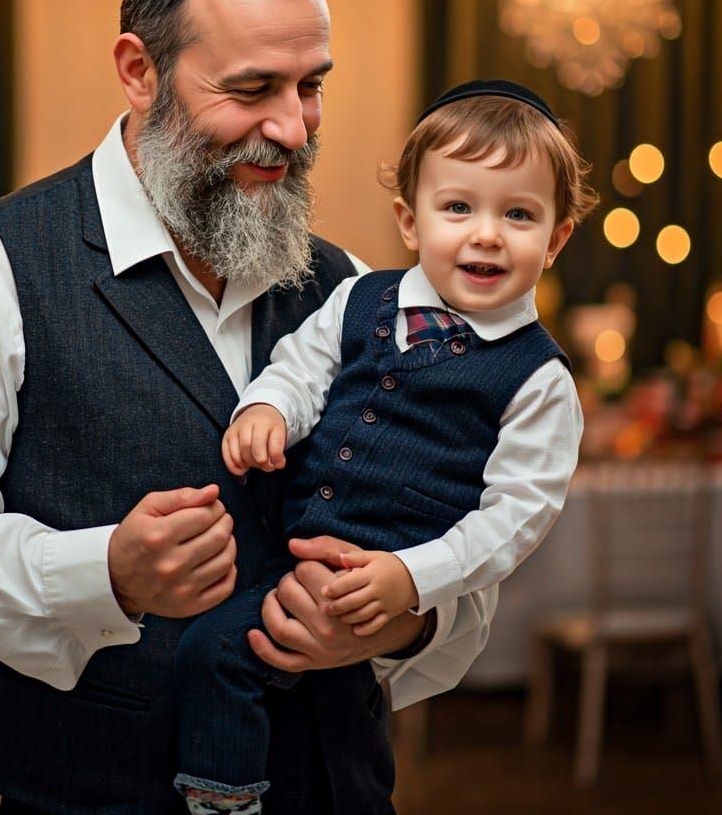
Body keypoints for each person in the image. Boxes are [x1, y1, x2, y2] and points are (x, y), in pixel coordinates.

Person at [0, 0, 498, 815]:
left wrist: (413, 608)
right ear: (139, 70)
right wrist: (102, 572)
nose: (295, 128)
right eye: (252, 88)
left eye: (312, 85)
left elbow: (448, 528)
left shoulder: (351, 288)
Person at [172, 79, 599, 813]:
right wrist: (268, 410)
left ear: (556, 238)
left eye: (519, 214)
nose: (487, 233)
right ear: (410, 219)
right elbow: (301, 368)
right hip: (290, 558)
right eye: (458, 207)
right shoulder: (359, 298)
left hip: (385, 581)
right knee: (217, 653)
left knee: (345, 718)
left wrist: (413, 578)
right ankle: (226, 798)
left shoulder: (540, 380)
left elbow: (514, 520)